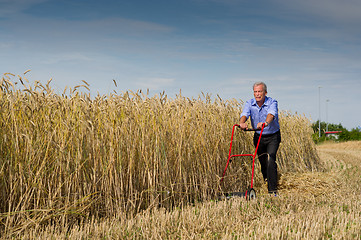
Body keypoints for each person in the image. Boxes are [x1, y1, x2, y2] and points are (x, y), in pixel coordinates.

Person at [239, 82, 281, 194]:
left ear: (265, 92)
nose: (257, 94)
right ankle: (266, 180)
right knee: (263, 162)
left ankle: (272, 190)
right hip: (258, 136)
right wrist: (242, 123)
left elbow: (272, 114)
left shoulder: (272, 102)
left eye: (260, 91)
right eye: (255, 92)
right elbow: (244, 114)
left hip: (272, 136)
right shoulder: (249, 103)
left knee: (271, 159)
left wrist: (265, 123)